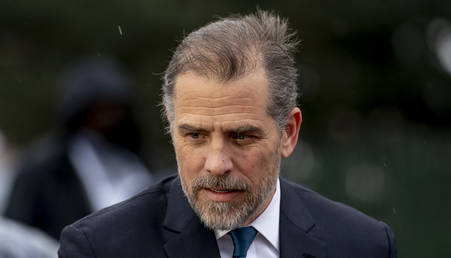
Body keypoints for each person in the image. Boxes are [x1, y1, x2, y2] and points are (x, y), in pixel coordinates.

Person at [58, 11, 397, 258]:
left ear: (288, 133)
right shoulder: (100, 249)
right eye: (195, 136)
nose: (217, 164)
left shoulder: (363, 245)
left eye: (240, 137)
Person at [4, 57, 155, 240]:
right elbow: (16, 233)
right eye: (99, 112)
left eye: (113, 111)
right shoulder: (43, 169)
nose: (107, 120)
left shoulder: (132, 162)